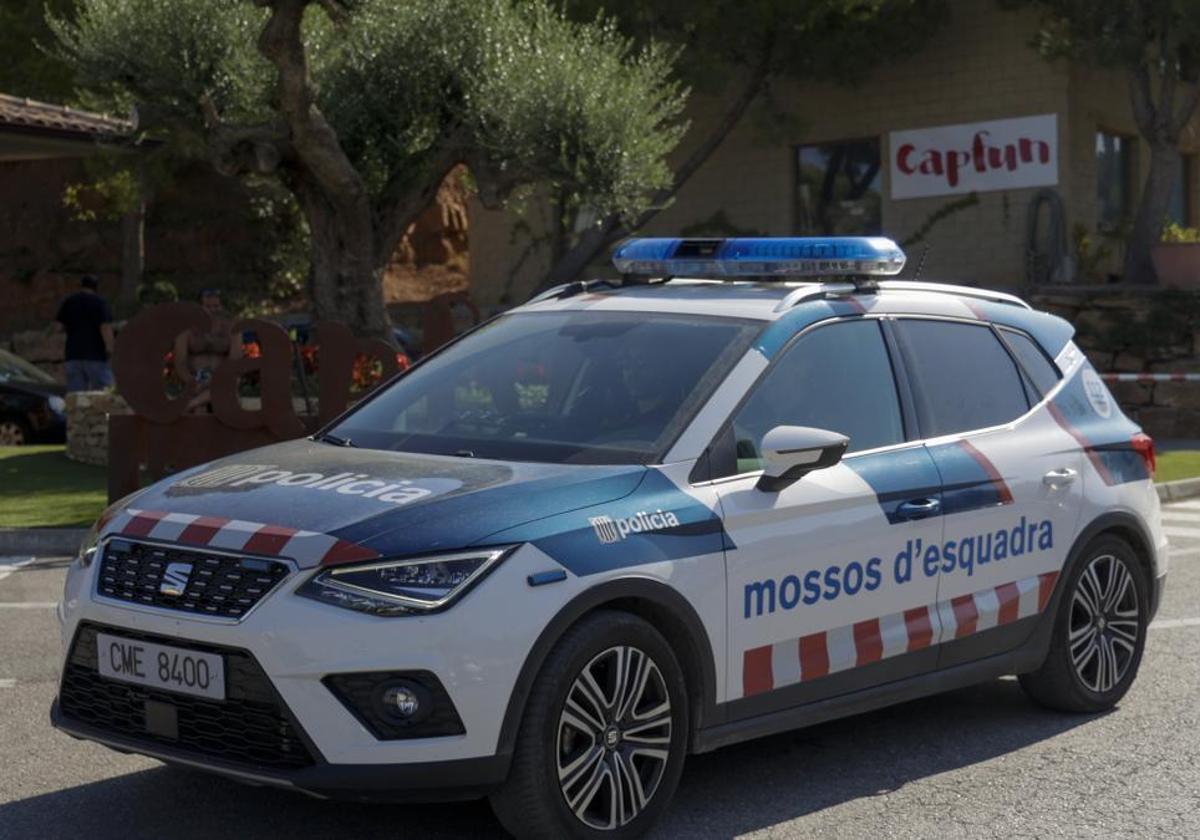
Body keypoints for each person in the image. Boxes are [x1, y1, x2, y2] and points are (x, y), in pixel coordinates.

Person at [173, 289, 242, 411]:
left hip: (221, 378)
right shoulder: (186, 328)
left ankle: (189, 405)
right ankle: (195, 404)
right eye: (207, 306)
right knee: (201, 408)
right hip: (195, 379)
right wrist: (192, 382)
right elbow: (180, 362)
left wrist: (214, 379)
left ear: (222, 306)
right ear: (199, 307)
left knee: (228, 387)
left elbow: (235, 359)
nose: (212, 310)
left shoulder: (232, 327)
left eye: (216, 306)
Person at [56, 274, 114, 393]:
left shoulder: (69, 302)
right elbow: (105, 327)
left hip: (73, 355)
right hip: (95, 355)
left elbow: (58, 327)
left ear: (81, 286)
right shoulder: (99, 303)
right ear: (96, 287)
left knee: (76, 396)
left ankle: (78, 412)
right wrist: (110, 347)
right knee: (106, 393)